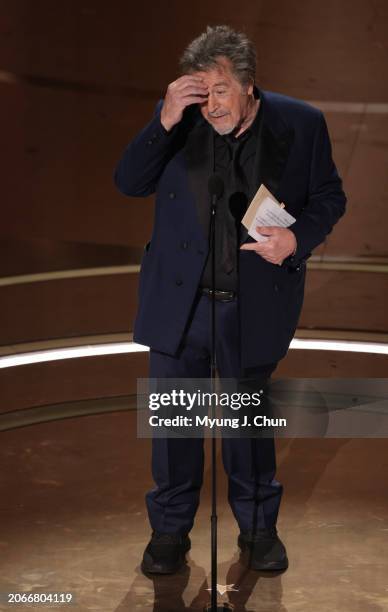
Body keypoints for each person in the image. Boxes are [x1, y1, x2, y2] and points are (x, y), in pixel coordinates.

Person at [114, 25, 346, 575]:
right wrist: (165, 118)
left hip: (252, 303)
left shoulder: (300, 123)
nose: (210, 103)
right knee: (174, 427)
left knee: (247, 426)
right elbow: (129, 181)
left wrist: (296, 239)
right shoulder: (180, 119)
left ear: (247, 86)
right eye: (200, 89)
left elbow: (329, 196)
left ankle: (258, 529)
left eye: (219, 90)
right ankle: (169, 533)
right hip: (181, 304)